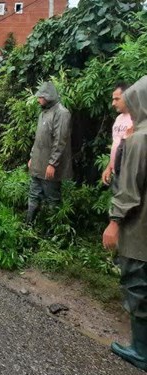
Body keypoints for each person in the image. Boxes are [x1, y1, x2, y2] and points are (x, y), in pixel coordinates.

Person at [103, 75, 147, 371]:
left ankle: (140, 352)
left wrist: (114, 222)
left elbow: (130, 190)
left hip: (139, 230)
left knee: (137, 284)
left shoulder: (139, 138)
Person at [26, 81, 73, 224]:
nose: (38, 99)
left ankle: (54, 232)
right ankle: (29, 225)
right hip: (38, 162)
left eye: (41, 97)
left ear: (48, 96)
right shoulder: (43, 113)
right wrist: (32, 157)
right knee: (33, 194)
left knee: (52, 199)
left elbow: (60, 141)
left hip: (50, 166)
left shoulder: (62, 113)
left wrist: (52, 163)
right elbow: (38, 138)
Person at [102, 82, 133, 190]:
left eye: (117, 99)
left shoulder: (139, 118)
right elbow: (116, 146)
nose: (113, 103)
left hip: (131, 176)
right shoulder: (119, 119)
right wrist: (109, 168)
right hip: (117, 174)